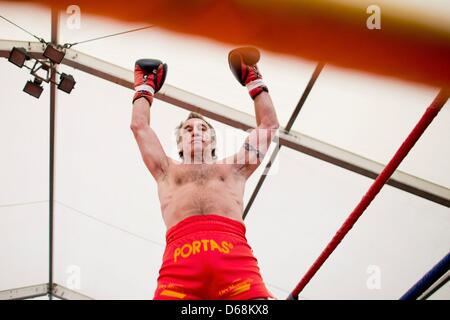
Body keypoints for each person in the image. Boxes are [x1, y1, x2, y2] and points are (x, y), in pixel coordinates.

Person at [130, 47, 279, 300]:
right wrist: (144, 88)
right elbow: (139, 126)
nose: (195, 132)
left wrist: (254, 79)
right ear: (178, 143)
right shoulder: (166, 171)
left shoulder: (233, 169)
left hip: (233, 259)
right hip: (180, 266)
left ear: (212, 140)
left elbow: (268, 126)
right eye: (187, 129)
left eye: (201, 128)